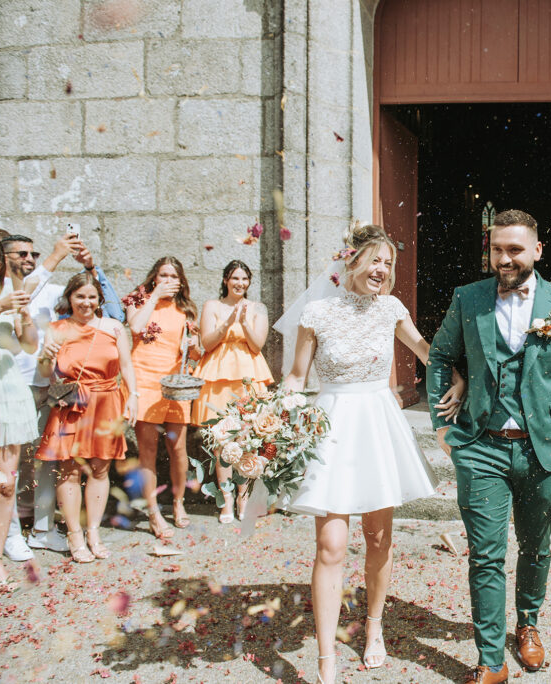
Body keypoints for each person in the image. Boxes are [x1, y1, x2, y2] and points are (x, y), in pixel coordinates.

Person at [277, 224, 464, 684]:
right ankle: (325, 659)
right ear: (352, 262)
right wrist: (273, 418)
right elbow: (297, 376)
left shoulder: (391, 310)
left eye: (389, 263)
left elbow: (426, 351)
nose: (383, 269)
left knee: (379, 538)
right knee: (330, 545)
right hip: (333, 426)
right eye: (375, 260)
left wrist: (457, 378)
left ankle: (374, 627)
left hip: (378, 427)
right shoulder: (317, 314)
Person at [428, 210, 551, 684]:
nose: (504, 259)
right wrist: (443, 427)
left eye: (515, 249)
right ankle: (490, 659)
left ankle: (527, 623)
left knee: (536, 547)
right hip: (480, 446)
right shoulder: (468, 298)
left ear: (537, 250)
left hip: (541, 448)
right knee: (485, 554)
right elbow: (440, 355)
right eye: (497, 249)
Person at [0, 232, 123, 562]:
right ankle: (10, 535)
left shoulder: (52, 289)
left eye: (33, 254)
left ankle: (43, 529)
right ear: (2, 257)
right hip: (13, 386)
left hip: (53, 388)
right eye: (20, 254)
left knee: (48, 465)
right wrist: (55, 256)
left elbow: (102, 304)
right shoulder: (1, 290)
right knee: (7, 466)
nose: (29, 259)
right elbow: (20, 295)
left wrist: (92, 267)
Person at [36, 273, 137, 562]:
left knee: (100, 470)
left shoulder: (114, 327)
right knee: (69, 470)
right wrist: (45, 355)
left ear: (99, 299)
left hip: (106, 401)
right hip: (71, 402)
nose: (86, 302)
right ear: (70, 298)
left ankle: (93, 531)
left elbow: (127, 367)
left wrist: (134, 396)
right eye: (80, 296)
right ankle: (74, 534)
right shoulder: (57, 328)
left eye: (92, 296)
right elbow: (46, 373)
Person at [124, 257, 201, 540]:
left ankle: (179, 502)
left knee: (178, 449)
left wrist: (195, 348)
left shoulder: (186, 309)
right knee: (147, 451)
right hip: (144, 380)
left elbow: (194, 355)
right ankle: (154, 512)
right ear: (154, 277)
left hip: (175, 385)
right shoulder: (137, 300)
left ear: (181, 280)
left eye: (173, 275)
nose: (168, 280)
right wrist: (154, 296)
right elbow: (135, 328)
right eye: (163, 275)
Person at [193, 260, 273, 523]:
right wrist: (228, 322)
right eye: (235, 278)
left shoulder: (257, 308)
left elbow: (257, 345)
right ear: (226, 280)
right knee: (221, 441)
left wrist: (244, 322)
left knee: (247, 439)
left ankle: (244, 496)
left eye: (244, 279)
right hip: (218, 375)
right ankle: (225, 498)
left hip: (248, 375)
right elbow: (207, 343)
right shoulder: (212, 306)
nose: (240, 284)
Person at [0, 237, 38, 597]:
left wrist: (22, 316)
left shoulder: (7, 290)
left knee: (5, 484)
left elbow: (30, 345)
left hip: (6, 392)